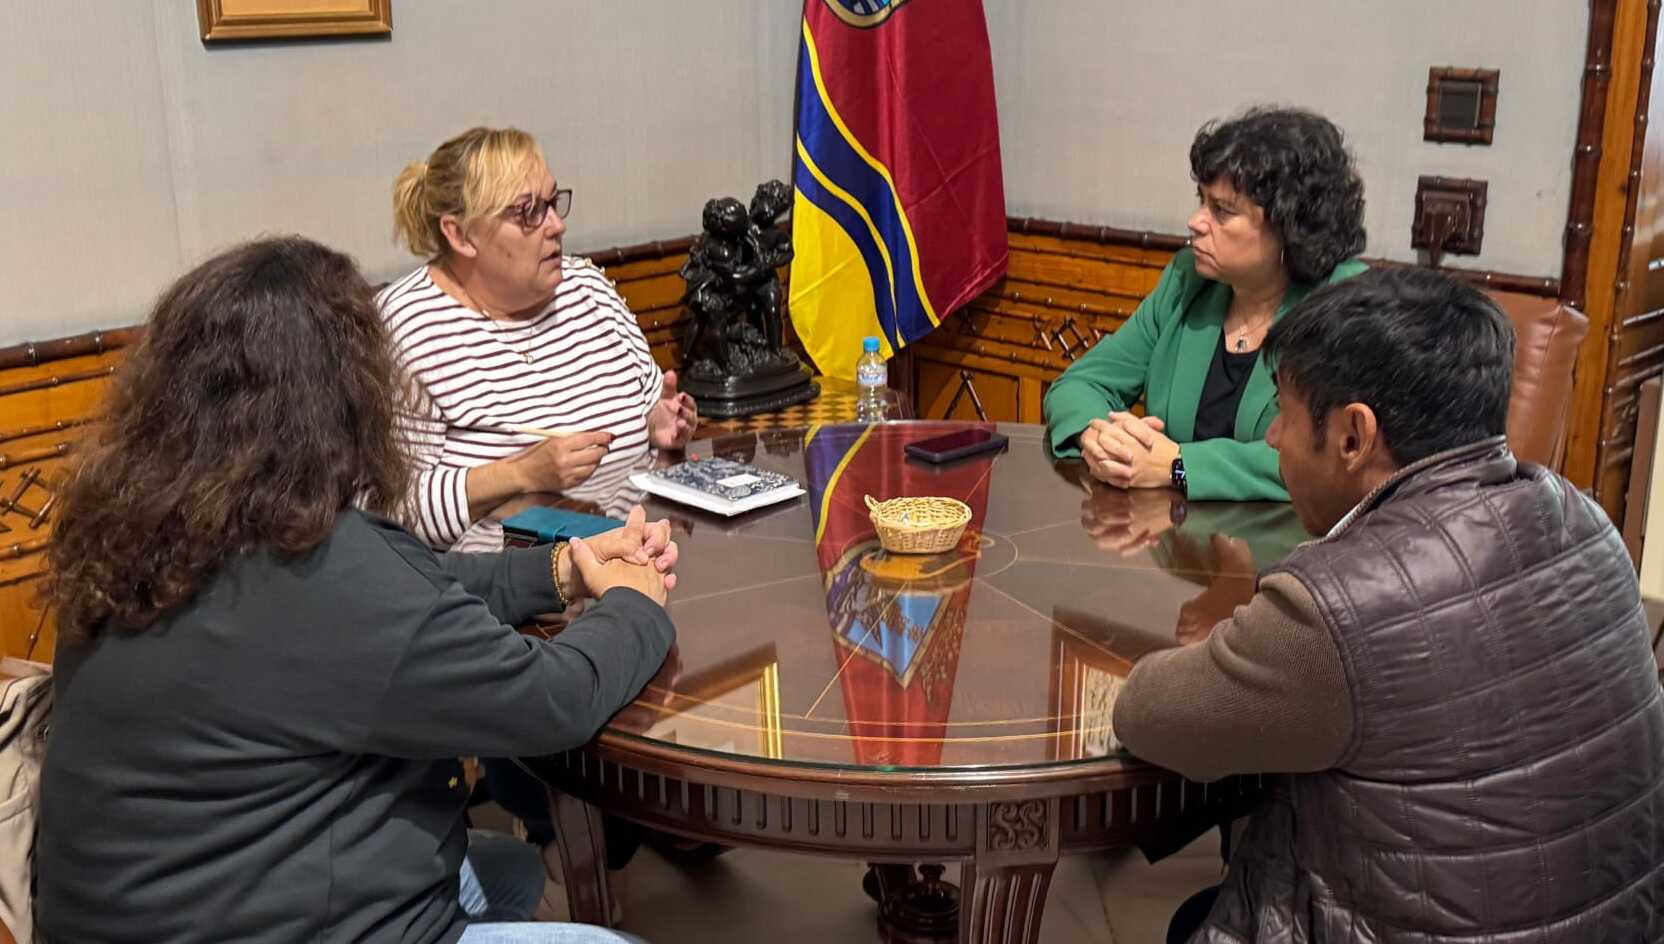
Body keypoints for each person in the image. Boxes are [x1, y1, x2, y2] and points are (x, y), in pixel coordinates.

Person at [34, 237, 679, 943]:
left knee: (513, 875)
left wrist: (560, 569)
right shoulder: (319, 565)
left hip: (165, 904)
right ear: (341, 393)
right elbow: (555, 700)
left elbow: (407, 594)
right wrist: (634, 604)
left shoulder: (134, 532)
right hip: (271, 916)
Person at [1111, 267, 1664, 942]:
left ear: (1353, 436)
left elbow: (1148, 714)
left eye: (1283, 412)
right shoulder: (1586, 521)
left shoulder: (1337, 607)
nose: (1274, 440)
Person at [381, 125, 698, 555]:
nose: (556, 225)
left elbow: (643, 428)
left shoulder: (587, 289)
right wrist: (519, 473)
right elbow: (389, 510)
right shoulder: (408, 326)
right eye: (527, 211)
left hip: (626, 559)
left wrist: (658, 426)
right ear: (459, 234)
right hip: (490, 597)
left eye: (552, 203)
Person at [1044, 107, 1367, 501]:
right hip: (1172, 543)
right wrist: (1099, 436)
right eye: (1202, 201)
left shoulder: (1343, 304)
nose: (1195, 221)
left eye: (1221, 211)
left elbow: (1326, 462)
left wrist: (1179, 465)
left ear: (1289, 227)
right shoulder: (1189, 281)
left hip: (1286, 548)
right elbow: (1080, 384)